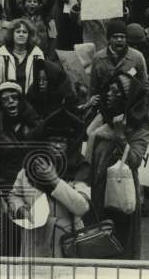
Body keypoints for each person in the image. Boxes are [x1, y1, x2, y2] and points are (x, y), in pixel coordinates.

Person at [6, 108, 91, 258]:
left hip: (66, 241)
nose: (58, 146)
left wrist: (54, 180)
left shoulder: (79, 167)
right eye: (53, 141)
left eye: (62, 142)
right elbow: (14, 196)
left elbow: (82, 207)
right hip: (34, 240)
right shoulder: (30, 167)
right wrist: (21, 210)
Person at [83, 72, 149, 259]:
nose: (108, 95)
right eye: (109, 90)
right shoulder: (102, 120)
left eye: (115, 92)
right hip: (97, 189)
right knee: (97, 240)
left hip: (120, 194)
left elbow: (135, 160)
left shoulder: (139, 127)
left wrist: (120, 136)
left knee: (121, 244)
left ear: (126, 98)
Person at [0, 18, 46, 93]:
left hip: (31, 100)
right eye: (18, 32)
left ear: (29, 35)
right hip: (8, 100)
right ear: (12, 34)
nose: (21, 34)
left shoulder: (37, 54)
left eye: (24, 32)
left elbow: (42, 81)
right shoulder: (2, 53)